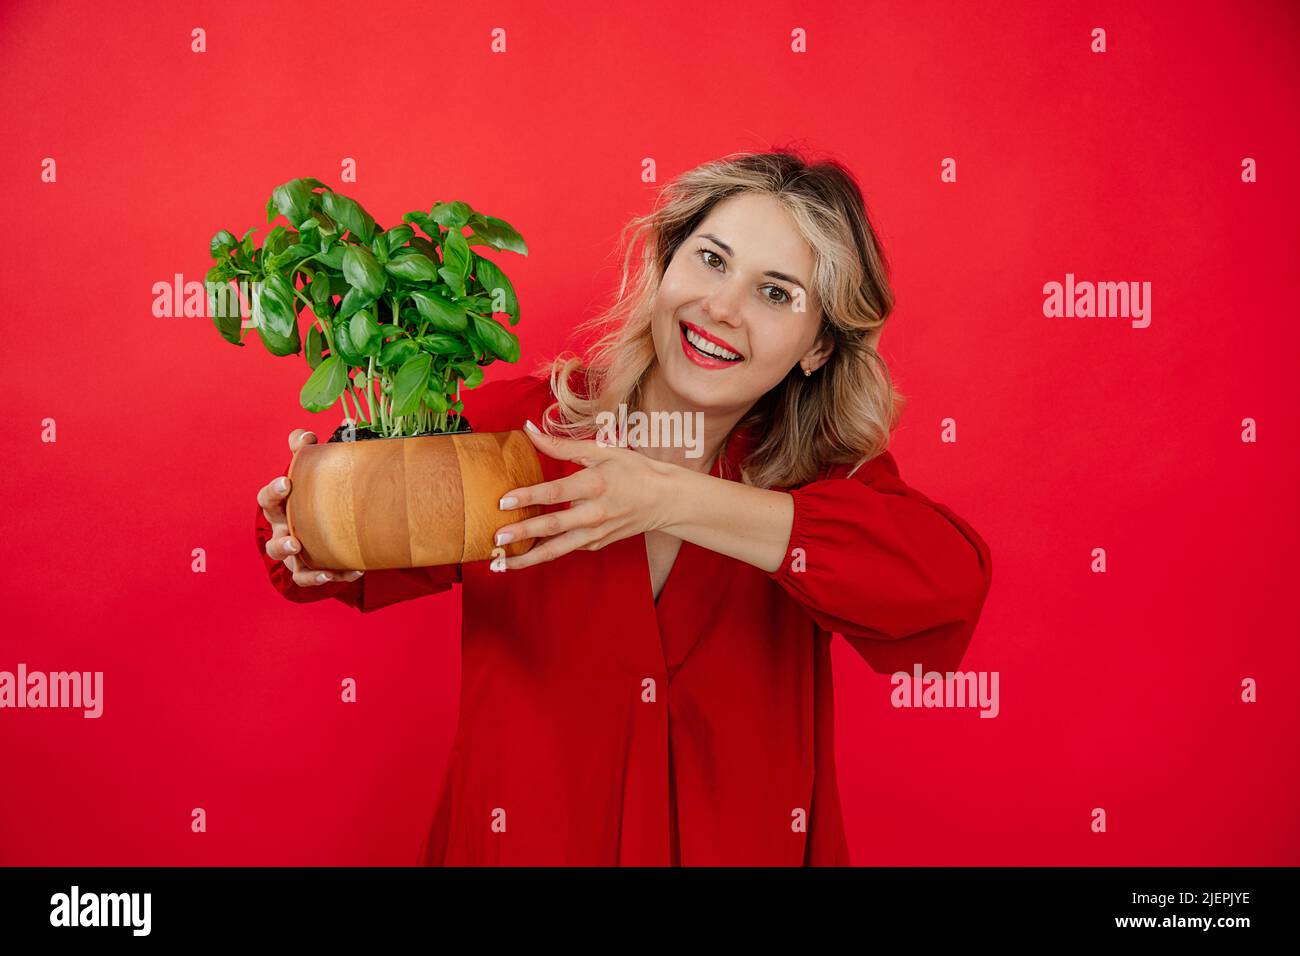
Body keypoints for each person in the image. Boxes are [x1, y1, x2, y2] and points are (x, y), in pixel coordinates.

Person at [254, 149, 993, 865]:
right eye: (710, 259)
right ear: (664, 266)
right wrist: (309, 532)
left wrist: (671, 499)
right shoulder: (529, 428)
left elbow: (945, 587)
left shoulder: (825, 479)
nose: (722, 308)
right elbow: (362, 537)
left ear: (819, 347)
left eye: (776, 293)